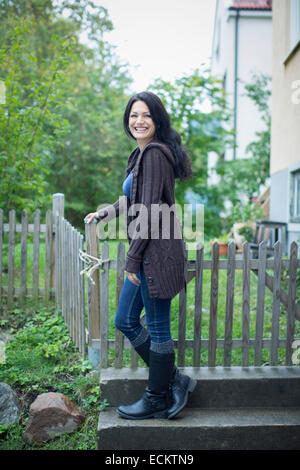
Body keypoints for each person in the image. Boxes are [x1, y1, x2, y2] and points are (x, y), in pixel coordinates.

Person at [84, 91, 196, 420]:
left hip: (155, 253)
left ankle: (155, 396)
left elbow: (150, 212)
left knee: (158, 328)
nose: (138, 121)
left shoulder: (156, 155)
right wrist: (104, 213)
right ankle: (175, 381)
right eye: (133, 115)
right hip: (147, 249)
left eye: (145, 115)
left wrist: (132, 261)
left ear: (157, 120)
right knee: (125, 321)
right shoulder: (139, 155)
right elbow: (132, 199)